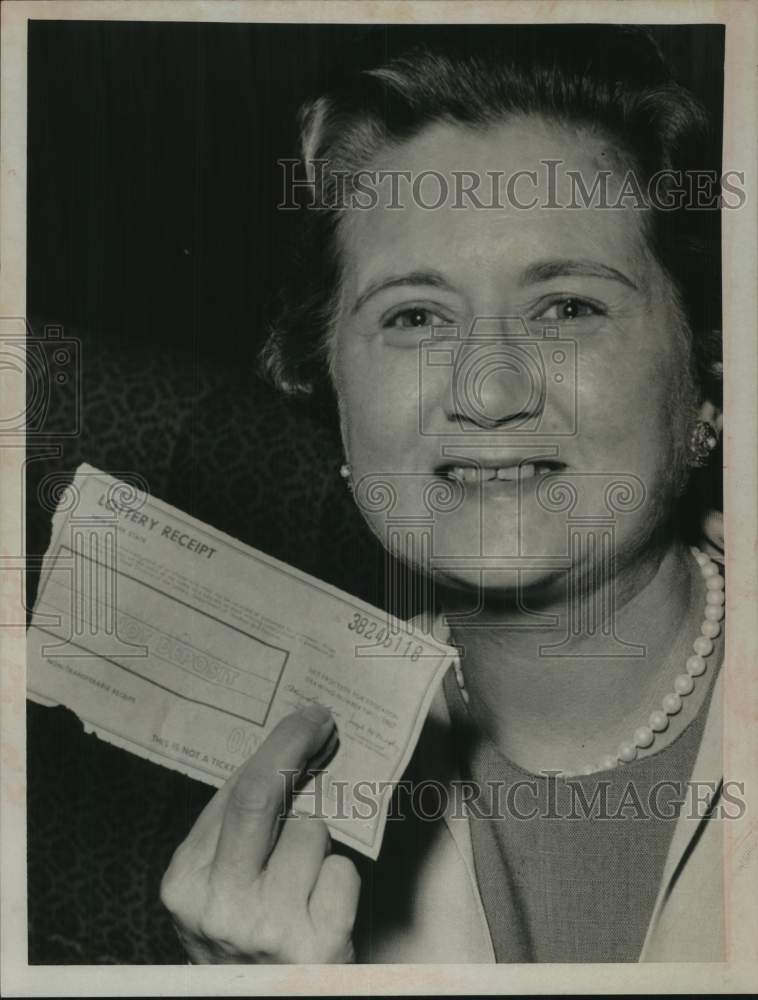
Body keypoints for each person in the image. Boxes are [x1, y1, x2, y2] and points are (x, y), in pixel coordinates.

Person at [159, 26, 726, 964]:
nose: (489, 392)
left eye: (569, 307)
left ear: (708, 369)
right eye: (415, 317)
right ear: (331, 386)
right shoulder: (268, 797)